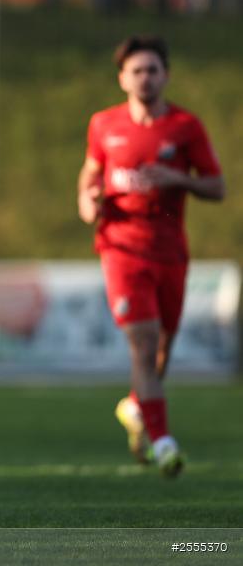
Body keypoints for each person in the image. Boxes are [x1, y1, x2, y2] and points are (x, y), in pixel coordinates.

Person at [77, 36, 224, 477]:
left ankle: (137, 408)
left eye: (152, 70)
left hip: (170, 251)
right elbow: (90, 175)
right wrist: (89, 203)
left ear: (166, 75)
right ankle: (163, 441)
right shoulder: (104, 124)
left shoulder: (184, 127)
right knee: (141, 344)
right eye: (136, 70)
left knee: (160, 351)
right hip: (120, 248)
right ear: (123, 78)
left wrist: (176, 178)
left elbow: (216, 187)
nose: (144, 77)